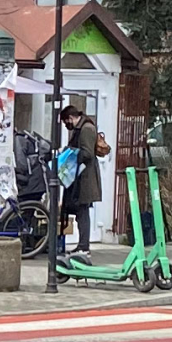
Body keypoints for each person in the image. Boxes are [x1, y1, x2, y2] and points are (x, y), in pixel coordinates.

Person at [61, 98, 106, 255]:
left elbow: (87, 153)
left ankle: (84, 246)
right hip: (82, 176)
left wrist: (69, 156)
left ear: (71, 118)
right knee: (81, 211)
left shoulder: (86, 129)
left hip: (85, 177)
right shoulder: (84, 127)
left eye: (67, 122)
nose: (67, 125)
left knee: (82, 211)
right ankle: (82, 245)